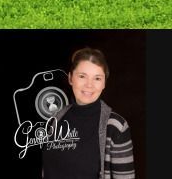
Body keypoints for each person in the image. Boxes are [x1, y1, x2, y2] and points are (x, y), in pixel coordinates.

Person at [42, 48, 135, 178]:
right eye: (82, 76)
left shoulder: (116, 126)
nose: (89, 85)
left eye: (97, 78)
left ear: (104, 83)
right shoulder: (56, 118)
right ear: (70, 78)